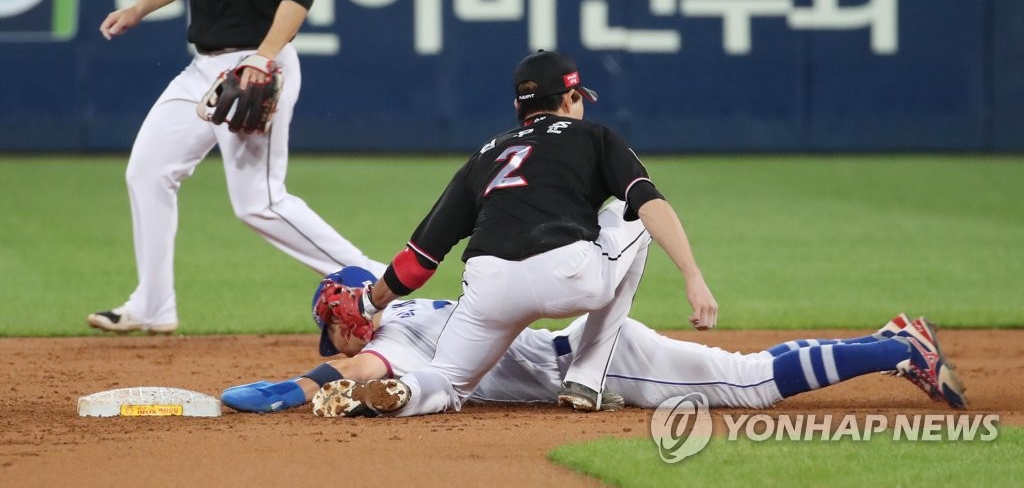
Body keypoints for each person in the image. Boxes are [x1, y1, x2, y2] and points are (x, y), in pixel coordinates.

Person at [320, 50, 718, 415]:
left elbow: (420, 260)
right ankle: (587, 377)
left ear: (518, 107)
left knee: (447, 379)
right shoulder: (596, 137)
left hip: (489, 284)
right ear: (570, 98)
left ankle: (405, 393)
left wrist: (371, 303)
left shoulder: (485, 155)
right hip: (570, 276)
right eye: (579, 97)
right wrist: (693, 276)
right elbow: (650, 204)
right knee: (631, 212)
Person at [219, 265, 967, 415]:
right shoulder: (411, 317)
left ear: (349, 320)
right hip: (580, 349)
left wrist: (293, 390)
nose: (331, 336)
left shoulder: (398, 340)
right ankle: (887, 339)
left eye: (331, 325)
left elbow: (354, 375)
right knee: (741, 371)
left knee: (748, 385)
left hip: (595, 364)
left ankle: (900, 349)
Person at [87, 0, 385, 334]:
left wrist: (265, 55)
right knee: (148, 173)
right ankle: (153, 305)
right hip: (202, 69)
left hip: (256, 66)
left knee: (260, 201)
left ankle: (377, 279)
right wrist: (137, 9)